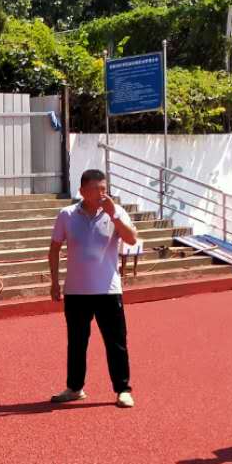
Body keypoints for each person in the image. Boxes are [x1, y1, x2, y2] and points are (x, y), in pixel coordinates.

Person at [48, 168, 139, 407]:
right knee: (77, 342)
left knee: (116, 341)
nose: (101, 194)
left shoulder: (116, 212)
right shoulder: (67, 215)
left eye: (104, 189)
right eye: (95, 189)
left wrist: (114, 215)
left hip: (108, 290)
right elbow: (54, 248)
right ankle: (74, 387)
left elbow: (132, 239)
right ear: (82, 191)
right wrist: (54, 281)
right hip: (76, 291)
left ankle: (123, 389)